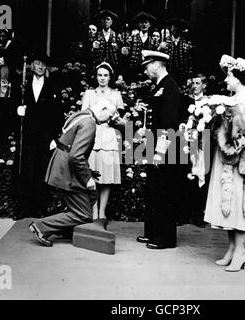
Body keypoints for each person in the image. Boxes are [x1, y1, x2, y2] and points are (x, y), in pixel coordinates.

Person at [203, 55, 245, 271]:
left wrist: (233, 118)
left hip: (241, 156)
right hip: (225, 153)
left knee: (238, 199)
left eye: (229, 76)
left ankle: (241, 251)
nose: (226, 80)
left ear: (239, 77)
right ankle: (231, 248)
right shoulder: (228, 99)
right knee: (226, 198)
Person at [29, 93, 117, 246]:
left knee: (90, 197)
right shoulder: (89, 122)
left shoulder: (81, 115)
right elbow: (76, 156)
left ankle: (65, 229)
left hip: (62, 165)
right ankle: (41, 226)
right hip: (67, 169)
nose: (108, 121)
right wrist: (88, 178)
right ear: (102, 109)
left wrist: (88, 172)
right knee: (84, 214)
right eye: (109, 117)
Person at [136, 50, 181, 249]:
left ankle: (165, 238)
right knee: (154, 190)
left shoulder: (170, 87)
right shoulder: (160, 86)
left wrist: (160, 150)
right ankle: (153, 232)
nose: (146, 70)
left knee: (164, 191)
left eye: (147, 66)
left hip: (165, 146)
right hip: (155, 143)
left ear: (156, 63)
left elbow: (170, 122)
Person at [14, 53, 63, 219]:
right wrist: (17, 111)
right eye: (37, 63)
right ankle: (22, 208)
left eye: (43, 64)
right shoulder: (23, 84)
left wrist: (54, 138)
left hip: (44, 134)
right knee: (25, 169)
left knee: (41, 169)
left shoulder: (52, 85)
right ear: (32, 66)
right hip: (27, 133)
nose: (40, 67)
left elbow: (57, 113)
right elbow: (13, 103)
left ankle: (39, 208)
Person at [81, 62, 125, 227]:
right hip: (92, 137)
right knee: (92, 176)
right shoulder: (89, 94)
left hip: (108, 136)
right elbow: (83, 117)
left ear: (110, 77)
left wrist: (116, 120)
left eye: (105, 75)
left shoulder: (116, 94)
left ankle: (102, 213)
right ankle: (93, 213)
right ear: (96, 76)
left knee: (106, 178)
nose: (102, 78)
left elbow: (121, 121)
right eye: (100, 75)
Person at [178, 73, 209, 227]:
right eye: (193, 83)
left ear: (204, 85)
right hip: (187, 141)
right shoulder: (185, 101)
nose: (194, 86)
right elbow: (181, 118)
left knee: (201, 175)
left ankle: (198, 215)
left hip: (203, 142)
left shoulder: (209, 102)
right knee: (186, 175)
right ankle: (183, 214)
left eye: (198, 83)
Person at [121, 11, 158, 81]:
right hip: (133, 71)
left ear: (149, 24)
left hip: (147, 72)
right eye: (141, 23)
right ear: (139, 25)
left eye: (146, 22)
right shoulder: (131, 39)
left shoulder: (153, 41)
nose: (144, 24)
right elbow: (126, 58)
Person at [160, 18, 194, 86]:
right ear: (171, 28)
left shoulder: (186, 42)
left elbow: (190, 60)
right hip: (168, 74)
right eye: (174, 27)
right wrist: (160, 48)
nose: (176, 29)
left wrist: (190, 76)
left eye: (178, 27)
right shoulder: (165, 42)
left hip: (183, 75)